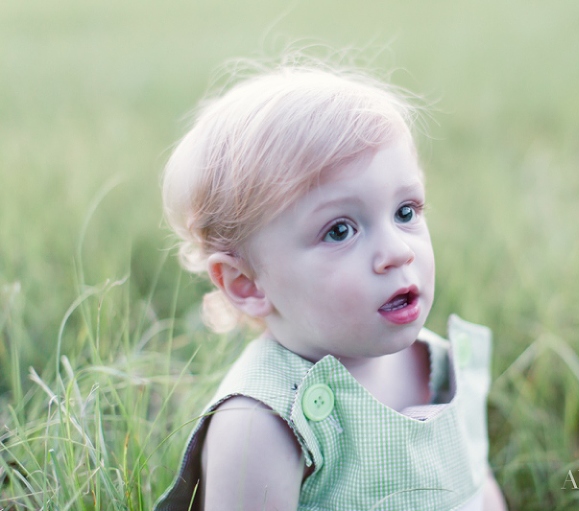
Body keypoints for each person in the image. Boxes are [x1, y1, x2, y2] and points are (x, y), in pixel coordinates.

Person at [155, 60, 507, 511]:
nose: (399, 251)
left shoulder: (439, 365)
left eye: (406, 211)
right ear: (247, 284)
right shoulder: (261, 424)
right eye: (340, 230)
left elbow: (477, 487)